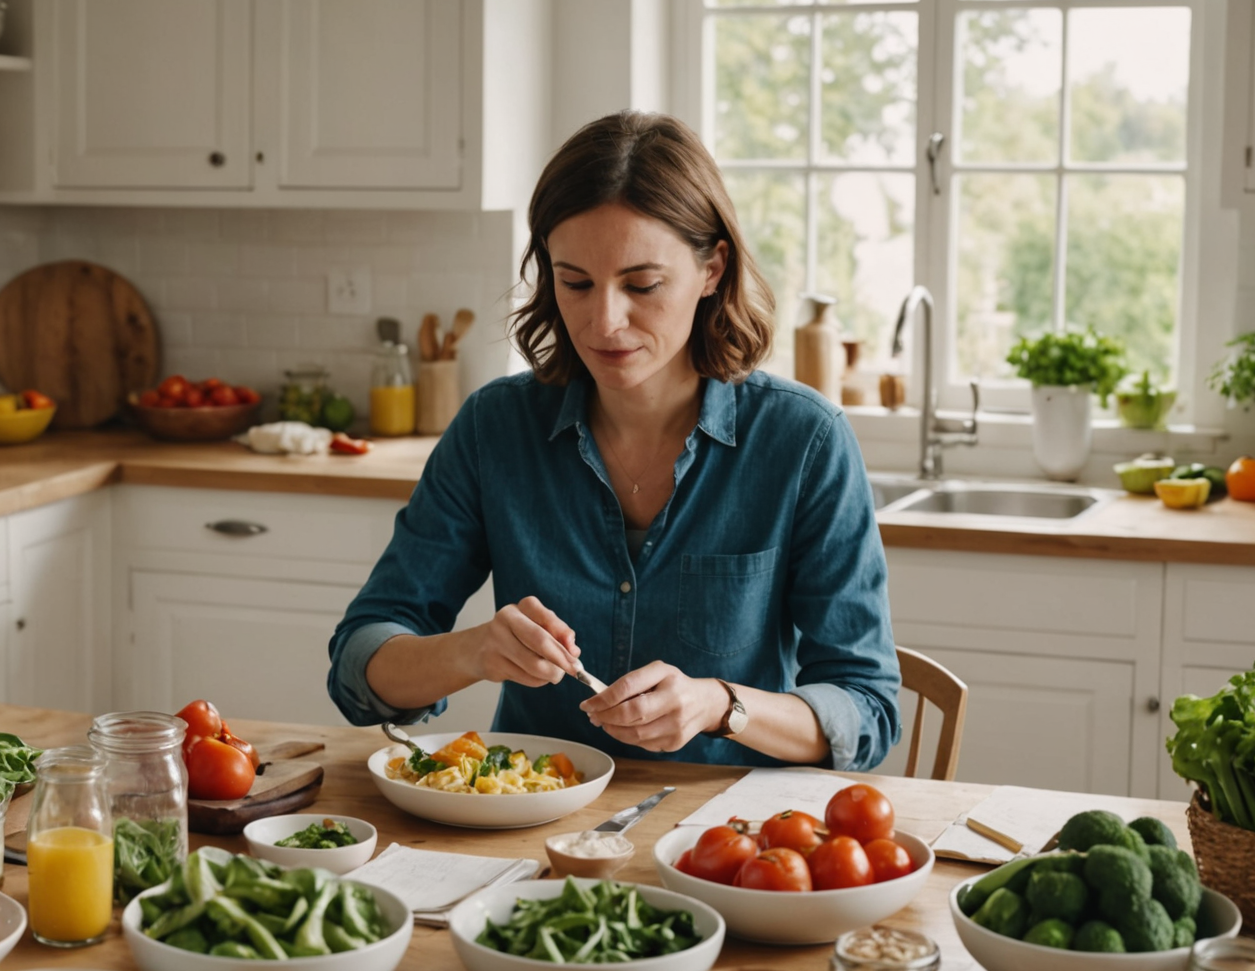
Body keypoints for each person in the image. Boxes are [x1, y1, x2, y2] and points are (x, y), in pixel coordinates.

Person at [327, 111, 900, 771]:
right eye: (575, 283)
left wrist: (720, 705)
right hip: (529, 823)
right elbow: (359, 662)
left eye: (642, 284)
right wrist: (473, 652)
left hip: (728, 843)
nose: (604, 321)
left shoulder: (804, 441)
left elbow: (867, 709)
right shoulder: (495, 428)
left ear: (712, 268)